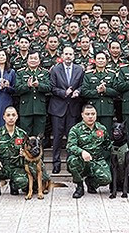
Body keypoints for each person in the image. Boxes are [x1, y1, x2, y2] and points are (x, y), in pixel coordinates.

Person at [48, 46, 83, 174]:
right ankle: (56, 164)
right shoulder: (55, 70)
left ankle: (71, 163)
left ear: (74, 56)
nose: (68, 56)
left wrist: (78, 91)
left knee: (71, 138)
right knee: (57, 138)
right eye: (66, 54)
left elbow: (82, 85)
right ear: (62, 56)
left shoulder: (79, 69)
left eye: (70, 54)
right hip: (58, 108)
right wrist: (64, 92)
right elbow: (51, 87)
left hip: (73, 108)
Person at [66, 104, 111, 198]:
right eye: (87, 114)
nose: (90, 116)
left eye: (93, 114)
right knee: (72, 161)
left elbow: (108, 145)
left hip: (97, 160)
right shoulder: (76, 129)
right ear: (82, 115)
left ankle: (91, 183)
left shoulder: (101, 129)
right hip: (82, 160)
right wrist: (81, 152)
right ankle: (79, 186)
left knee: (107, 179)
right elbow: (70, 146)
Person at [0, 106, 28, 198]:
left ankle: (14, 185)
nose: (11, 117)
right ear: (4, 117)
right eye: (8, 115)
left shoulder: (22, 134)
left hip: (16, 167)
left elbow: (29, 152)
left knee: (23, 182)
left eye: (13, 115)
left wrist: (24, 154)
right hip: (1, 167)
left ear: (17, 117)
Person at [15, 52, 50, 138]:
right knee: (25, 136)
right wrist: (27, 86)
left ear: (39, 61)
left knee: (39, 136)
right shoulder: (21, 73)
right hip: (26, 108)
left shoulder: (45, 73)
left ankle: (39, 151)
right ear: (27, 60)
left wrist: (39, 86)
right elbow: (17, 89)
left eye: (35, 58)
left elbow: (49, 88)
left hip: (40, 108)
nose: (33, 60)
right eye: (31, 58)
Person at [80, 52, 118, 130]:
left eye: (103, 59)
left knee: (107, 135)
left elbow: (116, 92)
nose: (101, 60)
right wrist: (96, 91)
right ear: (95, 60)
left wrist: (105, 90)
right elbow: (84, 92)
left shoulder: (112, 74)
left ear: (106, 61)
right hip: (92, 109)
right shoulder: (88, 75)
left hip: (107, 110)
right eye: (98, 59)